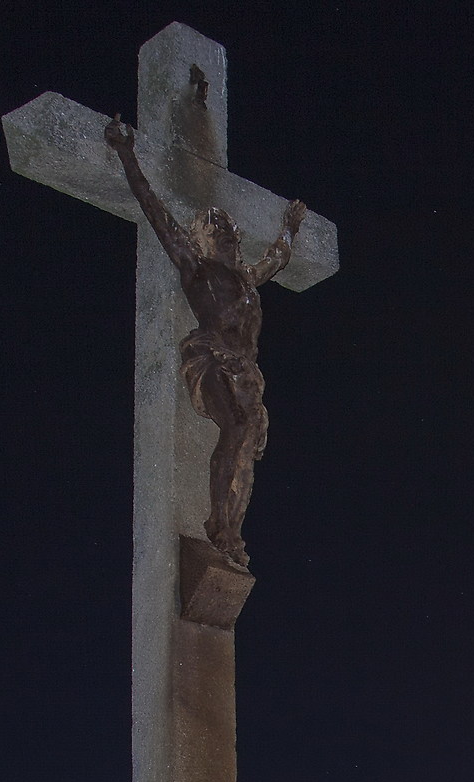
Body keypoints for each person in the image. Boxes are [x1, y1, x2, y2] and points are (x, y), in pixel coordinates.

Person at [105, 117, 308, 570]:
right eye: (214, 228)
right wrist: (126, 152)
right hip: (210, 357)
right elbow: (154, 209)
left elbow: (278, 257)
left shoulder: (247, 278)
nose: (224, 233)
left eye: (227, 229)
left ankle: (232, 530)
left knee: (247, 447)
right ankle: (218, 523)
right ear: (202, 238)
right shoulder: (196, 269)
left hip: (247, 370)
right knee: (234, 427)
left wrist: (290, 228)